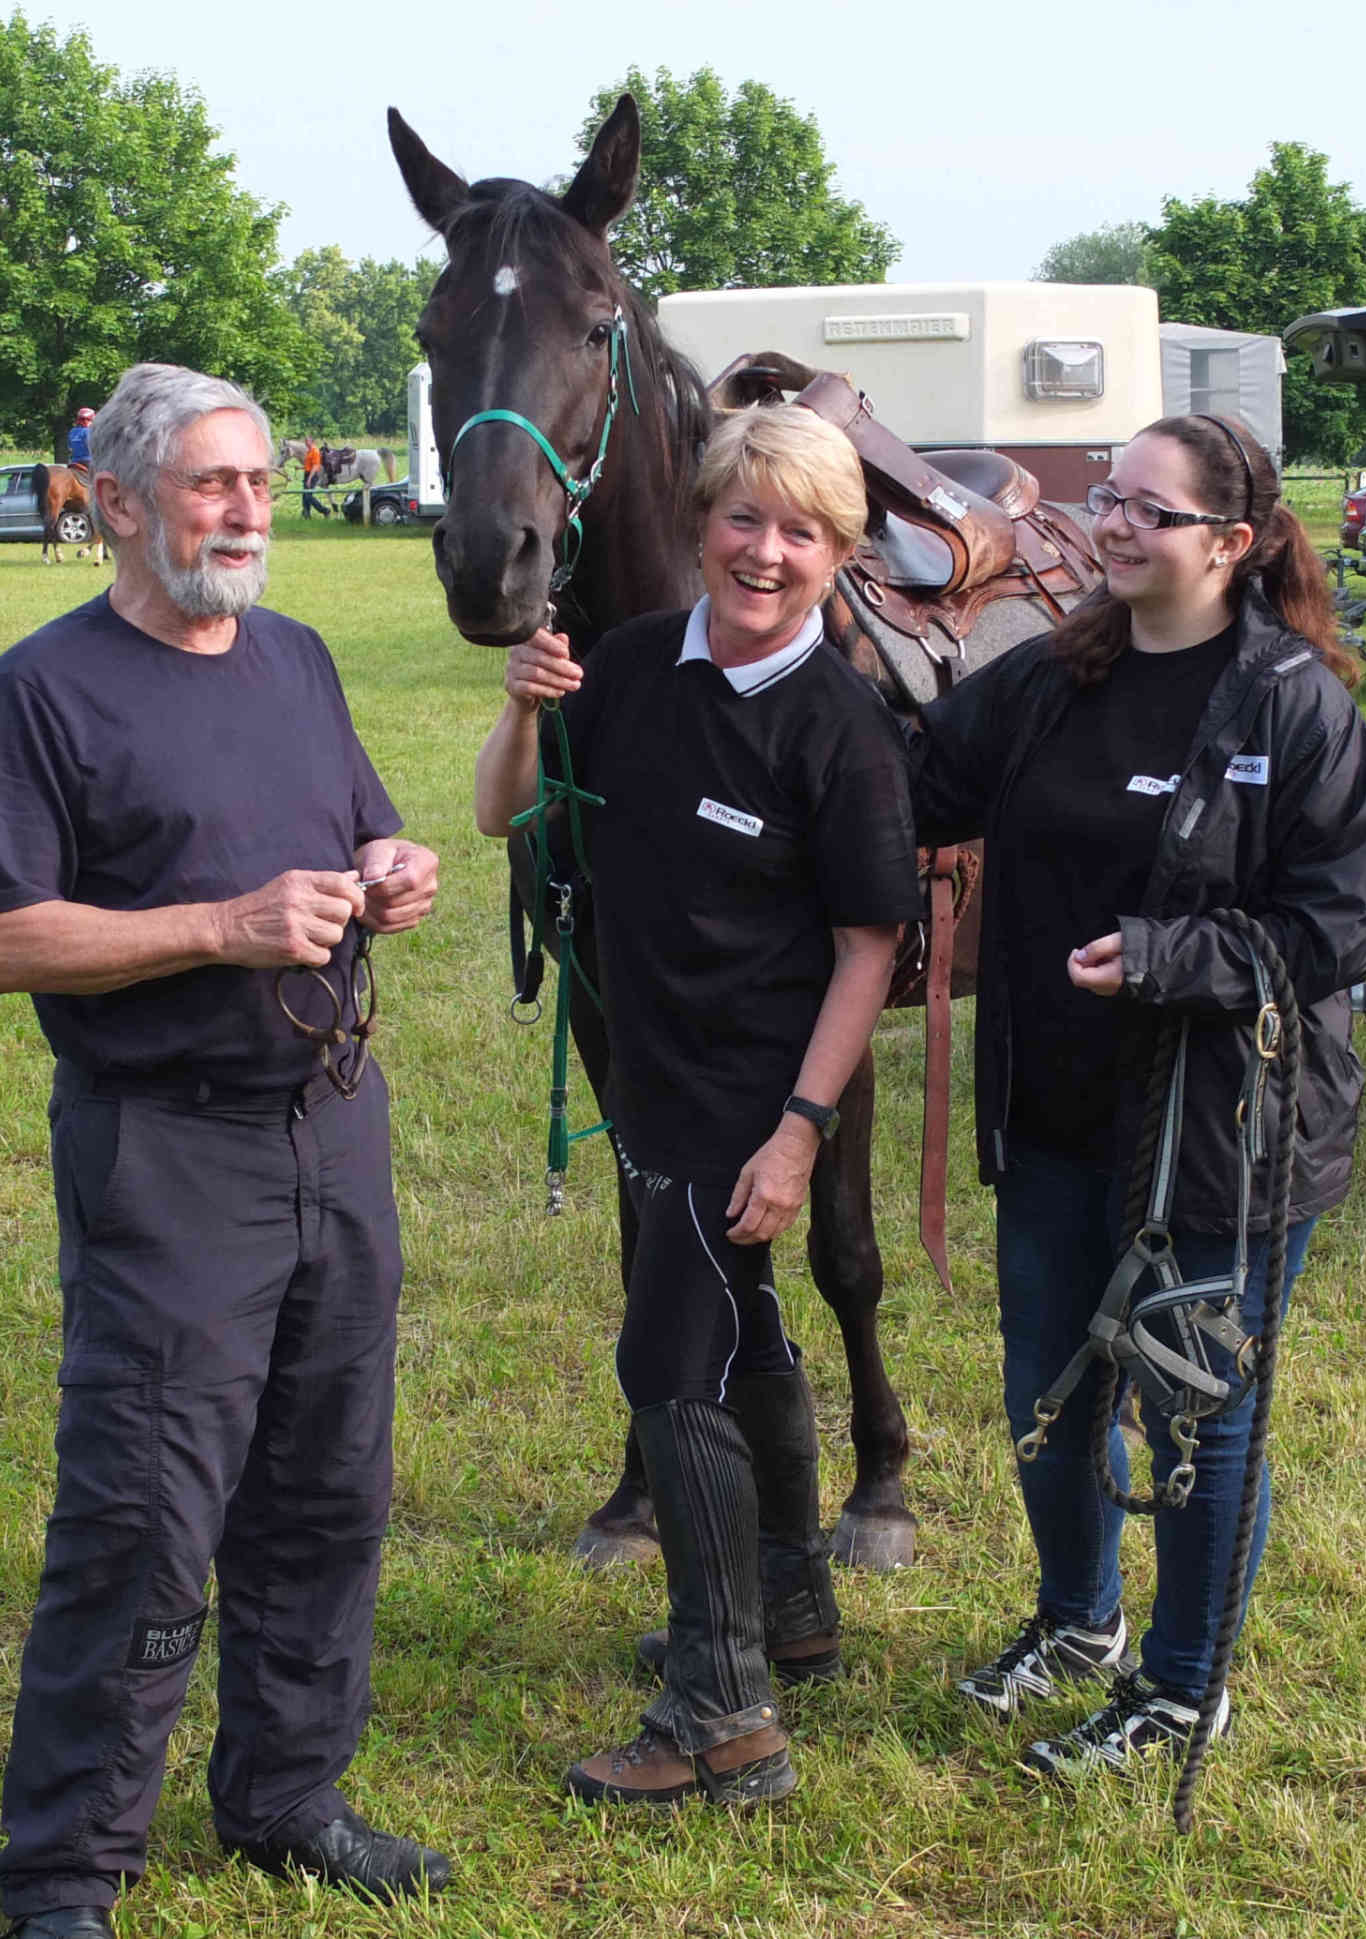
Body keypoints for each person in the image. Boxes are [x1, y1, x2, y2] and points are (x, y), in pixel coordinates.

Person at [0, 362, 450, 1936]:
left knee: (325, 1489)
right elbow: (1, 940)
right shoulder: (45, 688)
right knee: (146, 1514)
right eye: (212, 485)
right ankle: (67, 1871)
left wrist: (392, 857)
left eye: (259, 483)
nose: (248, 511)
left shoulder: (295, 658)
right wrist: (222, 927)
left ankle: (289, 1792)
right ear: (116, 501)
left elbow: (353, 822)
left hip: (331, 1126)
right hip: (168, 1149)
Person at [905, 414, 1366, 1780]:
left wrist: (1180, 956)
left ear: (1231, 543)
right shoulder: (1056, 677)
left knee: (1192, 1411)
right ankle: (1078, 1619)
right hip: (1055, 1119)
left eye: (1146, 509)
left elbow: (1336, 925)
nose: (1110, 523)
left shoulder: (1292, 702)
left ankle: (1185, 1683)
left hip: (1223, 1140)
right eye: (1106, 495)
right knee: (1047, 1398)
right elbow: (914, 774)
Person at [475, 403, 920, 1807]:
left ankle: (722, 1711)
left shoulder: (839, 725)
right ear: (700, 523)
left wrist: (798, 1127)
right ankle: (790, 1601)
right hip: (651, 1076)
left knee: (674, 1367)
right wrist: (520, 708)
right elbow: (503, 815)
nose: (766, 551)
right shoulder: (625, 664)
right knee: (750, 1331)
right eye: (743, 517)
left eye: (802, 530)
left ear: (840, 551)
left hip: (751, 1095)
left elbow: (868, 946)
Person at [302, 433, 330, 519]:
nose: (306, 443)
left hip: (313, 475)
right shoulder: (309, 451)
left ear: (312, 441)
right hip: (307, 474)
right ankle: (307, 515)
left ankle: (325, 510)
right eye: (305, 441)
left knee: (308, 496)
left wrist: (309, 479)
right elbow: (309, 465)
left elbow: (315, 466)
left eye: (307, 441)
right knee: (304, 496)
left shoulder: (315, 451)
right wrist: (300, 467)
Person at [66, 405, 95, 475]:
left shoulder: (72, 431)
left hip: (74, 462)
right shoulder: (90, 431)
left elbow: (69, 447)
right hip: (88, 461)